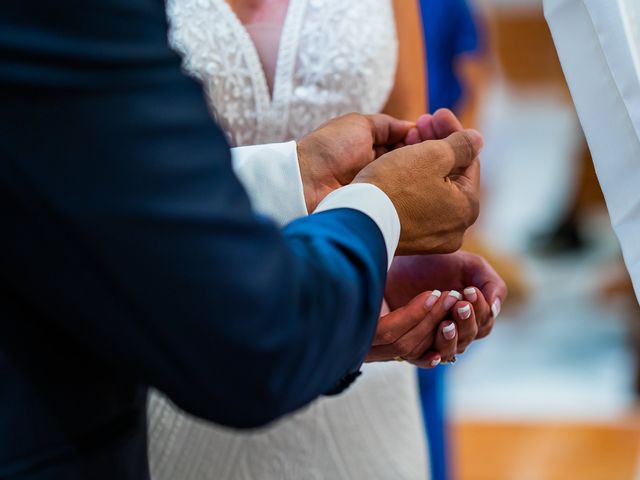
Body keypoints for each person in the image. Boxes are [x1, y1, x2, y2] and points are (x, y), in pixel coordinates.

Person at [0, 1, 488, 479]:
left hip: (348, 356)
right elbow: (99, 177)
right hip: (178, 359)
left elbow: (406, 146)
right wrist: (374, 215)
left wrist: (386, 260)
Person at [145, 1, 506, 479]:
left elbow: (405, 148)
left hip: (359, 370)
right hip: (172, 357)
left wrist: (396, 263)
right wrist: (318, 189)